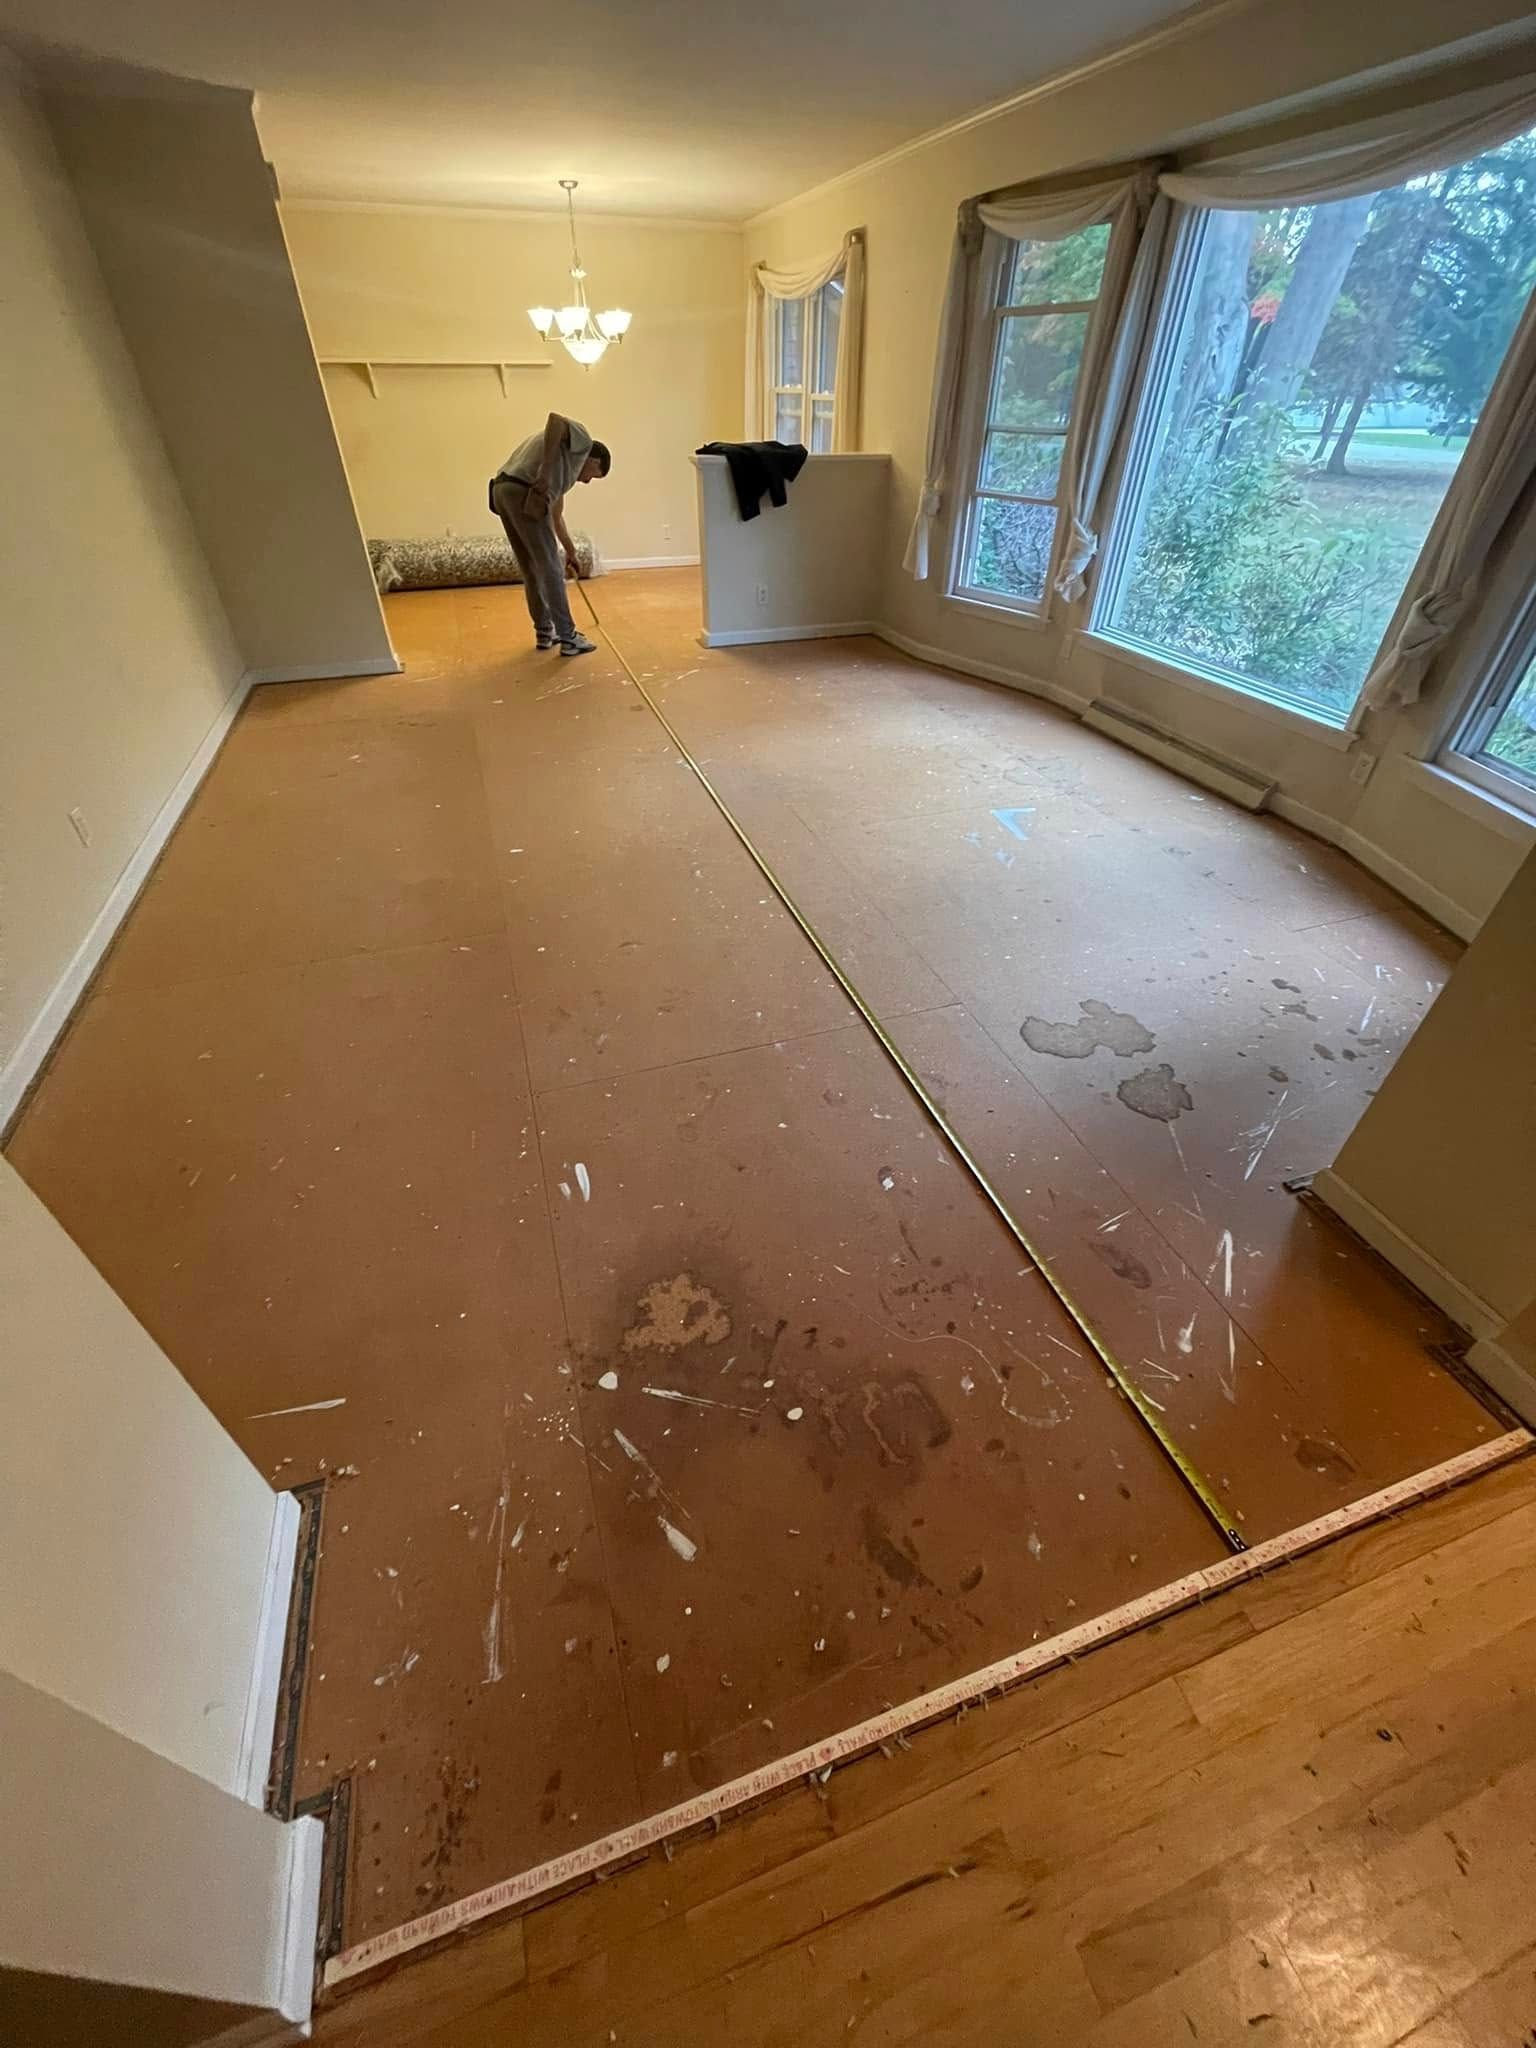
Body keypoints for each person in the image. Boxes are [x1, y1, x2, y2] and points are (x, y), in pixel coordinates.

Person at [489, 415, 611, 656]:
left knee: (532, 569)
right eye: (593, 474)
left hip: (502, 491)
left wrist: (571, 551)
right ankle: (568, 637)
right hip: (524, 490)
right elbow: (555, 420)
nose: (587, 481)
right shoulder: (582, 441)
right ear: (592, 459)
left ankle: (545, 633)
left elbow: (555, 518)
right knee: (550, 567)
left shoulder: (562, 470)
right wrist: (544, 475)